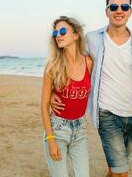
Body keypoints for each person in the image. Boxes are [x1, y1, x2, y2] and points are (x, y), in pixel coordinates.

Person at [50, 0, 132, 177]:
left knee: (116, 169)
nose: (118, 10)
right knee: (122, 172)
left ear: (130, 11)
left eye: (124, 6)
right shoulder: (92, 39)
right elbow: (67, 57)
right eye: (113, 6)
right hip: (107, 113)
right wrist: (54, 90)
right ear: (106, 11)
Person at [41, 16, 93, 177]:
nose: (58, 35)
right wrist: (50, 140)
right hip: (57, 130)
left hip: (80, 129)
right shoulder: (53, 66)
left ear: (76, 34)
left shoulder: (89, 62)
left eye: (63, 31)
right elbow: (43, 106)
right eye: (55, 32)